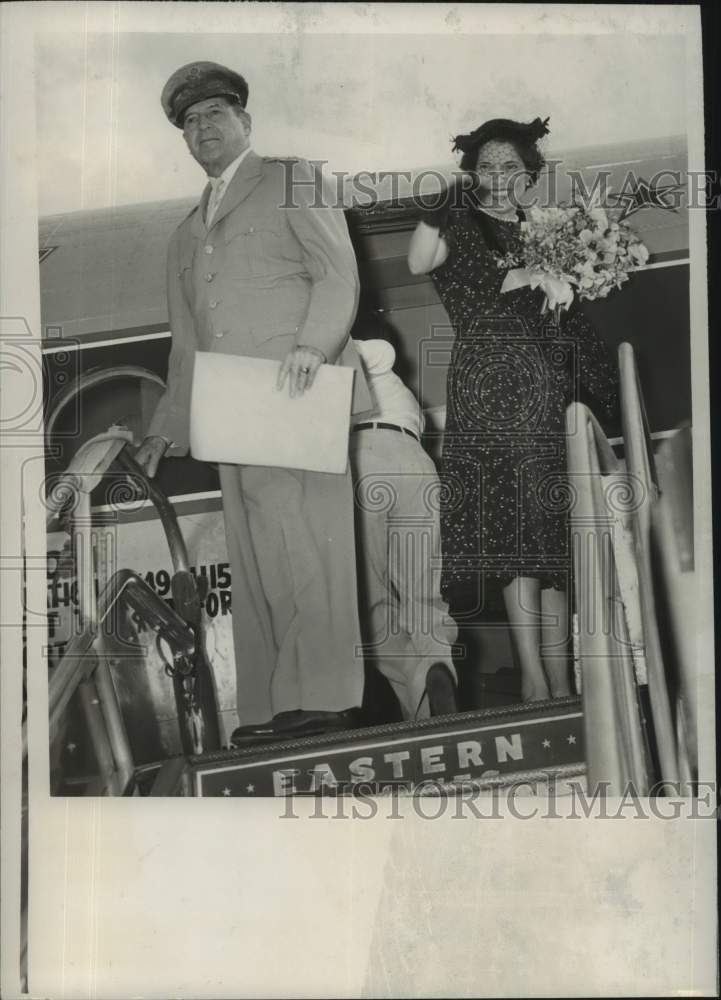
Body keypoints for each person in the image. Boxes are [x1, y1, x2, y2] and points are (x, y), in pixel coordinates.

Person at [135, 61, 373, 742]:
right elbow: (185, 342)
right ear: (182, 141)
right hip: (226, 408)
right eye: (189, 122)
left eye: (214, 113)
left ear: (245, 121)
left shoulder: (292, 176)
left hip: (291, 389)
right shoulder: (186, 231)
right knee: (258, 553)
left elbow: (335, 274)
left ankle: (324, 696)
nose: (201, 127)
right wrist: (165, 428)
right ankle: (273, 705)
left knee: (306, 544)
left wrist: (314, 346)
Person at [407, 117, 618, 703]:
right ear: (472, 171)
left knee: (553, 537)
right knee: (516, 535)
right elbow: (418, 263)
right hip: (495, 386)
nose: (498, 177)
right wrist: (441, 205)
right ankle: (532, 680)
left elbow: (573, 323)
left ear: (528, 175)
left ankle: (562, 680)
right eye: (487, 166)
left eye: (510, 167)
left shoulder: (542, 229)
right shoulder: (457, 220)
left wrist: (593, 398)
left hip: (548, 390)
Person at [350, 339, 458, 719]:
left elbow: (376, 350)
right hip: (416, 459)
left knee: (373, 605)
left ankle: (419, 708)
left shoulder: (335, 345)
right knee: (425, 595)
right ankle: (434, 670)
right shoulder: (395, 384)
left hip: (361, 459)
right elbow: (383, 352)